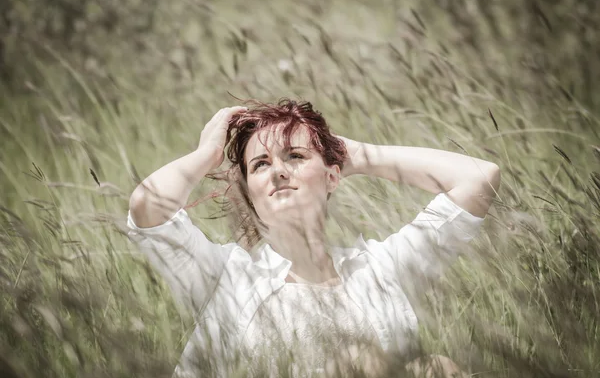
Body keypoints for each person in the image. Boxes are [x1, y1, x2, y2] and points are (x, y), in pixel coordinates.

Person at [126, 100, 501, 377]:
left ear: (332, 178)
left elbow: (479, 179)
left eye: (295, 156)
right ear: (250, 192)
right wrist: (207, 153)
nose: (278, 172)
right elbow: (148, 206)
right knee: (363, 362)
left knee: (436, 370)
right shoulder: (226, 274)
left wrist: (354, 155)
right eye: (261, 164)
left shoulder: (378, 269)